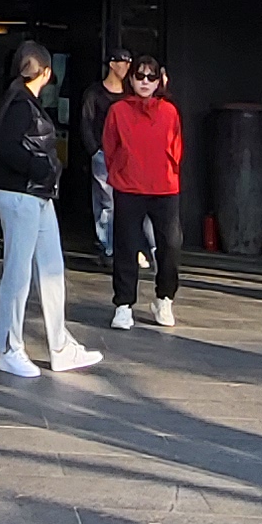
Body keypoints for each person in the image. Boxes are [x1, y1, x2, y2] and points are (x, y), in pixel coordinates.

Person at [0, 40, 100, 378]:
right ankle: (10, 348)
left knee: (50, 268)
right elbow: (7, 147)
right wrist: (38, 169)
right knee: (20, 273)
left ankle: (59, 346)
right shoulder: (21, 104)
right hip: (23, 194)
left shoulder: (18, 101)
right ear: (47, 72)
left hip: (33, 195)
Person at [101, 55, 185, 331]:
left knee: (170, 245)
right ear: (131, 79)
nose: (145, 81)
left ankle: (165, 298)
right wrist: (121, 171)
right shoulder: (118, 111)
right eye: (140, 75)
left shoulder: (169, 111)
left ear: (160, 80)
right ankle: (123, 304)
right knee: (126, 246)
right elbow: (109, 146)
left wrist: (168, 170)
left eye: (151, 76)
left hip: (164, 187)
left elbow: (177, 147)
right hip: (129, 186)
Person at [85, 51, 129, 255]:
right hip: (103, 153)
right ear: (112, 64)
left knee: (126, 201)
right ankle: (107, 245)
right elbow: (86, 122)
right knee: (106, 201)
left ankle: (121, 245)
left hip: (125, 154)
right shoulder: (95, 93)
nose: (127, 67)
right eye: (123, 62)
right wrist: (94, 150)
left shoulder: (129, 93)